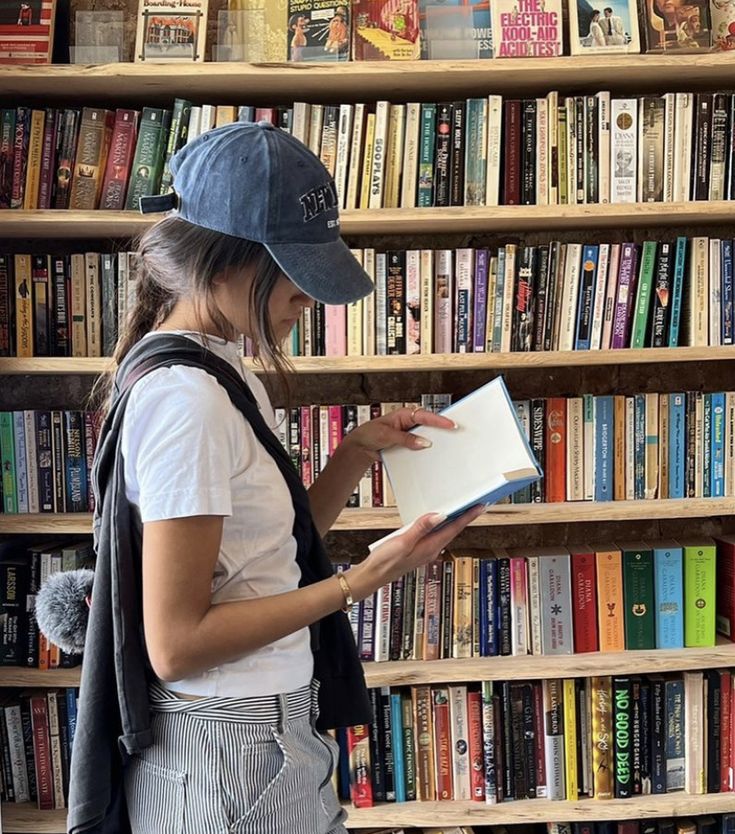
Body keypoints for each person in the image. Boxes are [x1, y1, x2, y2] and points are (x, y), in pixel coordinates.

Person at [67, 121, 485, 834]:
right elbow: (177, 643)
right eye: (296, 266)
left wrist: (355, 453)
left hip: (260, 733)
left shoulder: (221, 370)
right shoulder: (186, 400)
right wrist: (364, 580)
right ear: (222, 263)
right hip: (230, 744)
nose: (310, 295)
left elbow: (264, 559)